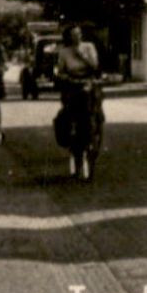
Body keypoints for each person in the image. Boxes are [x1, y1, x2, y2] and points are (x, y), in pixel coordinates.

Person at [54, 25, 103, 178]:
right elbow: (60, 70)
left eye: (79, 34)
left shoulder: (89, 47)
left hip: (88, 83)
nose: (77, 37)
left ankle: (95, 131)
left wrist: (82, 55)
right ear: (68, 37)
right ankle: (72, 138)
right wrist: (63, 76)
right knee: (68, 114)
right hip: (72, 84)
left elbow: (95, 65)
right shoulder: (64, 51)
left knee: (94, 109)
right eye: (73, 34)